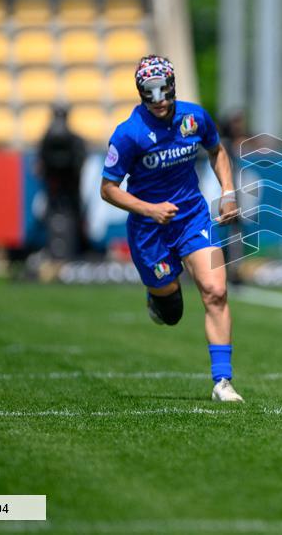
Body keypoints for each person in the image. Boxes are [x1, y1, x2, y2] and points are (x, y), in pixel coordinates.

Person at [100, 55, 243, 402]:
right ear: (141, 93)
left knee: (215, 290)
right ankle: (157, 295)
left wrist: (227, 193)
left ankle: (222, 382)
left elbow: (217, 151)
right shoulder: (128, 134)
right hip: (150, 230)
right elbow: (108, 189)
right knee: (172, 312)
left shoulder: (194, 117)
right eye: (151, 92)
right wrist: (149, 208)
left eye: (165, 90)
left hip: (192, 218)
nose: (160, 98)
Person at [39, 104, 87, 259]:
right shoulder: (47, 141)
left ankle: (75, 252)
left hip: (71, 190)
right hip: (54, 192)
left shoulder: (74, 141)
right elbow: (42, 165)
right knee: (52, 218)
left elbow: (79, 163)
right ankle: (54, 252)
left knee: (74, 218)